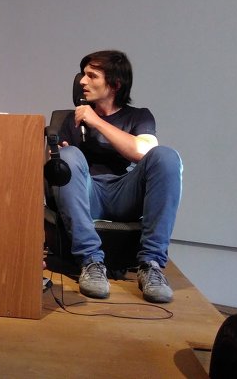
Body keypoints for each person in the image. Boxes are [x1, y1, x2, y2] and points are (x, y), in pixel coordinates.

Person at [55, 50, 182, 303]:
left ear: (115, 84)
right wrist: (59, 155)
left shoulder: (139, 116)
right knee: (66, 156)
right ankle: (90, 261)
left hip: (125, 193)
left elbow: (142, 151)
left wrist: (96, 122)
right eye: (83, 74)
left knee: (166, 156)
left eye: (92, 75)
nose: (82, 81)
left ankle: (151, 265)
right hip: (89, 193)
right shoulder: (73, 118)